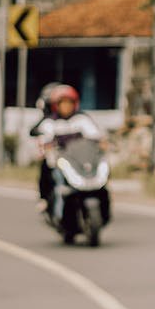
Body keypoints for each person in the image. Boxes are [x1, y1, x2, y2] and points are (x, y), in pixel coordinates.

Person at [30, 84, 104, 214]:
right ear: (56, 105)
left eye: (69, 103)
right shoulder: (50, 122)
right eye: (63, 103)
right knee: (48, 170)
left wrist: (102, 143)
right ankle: (47, 201)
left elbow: (95, 135)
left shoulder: (82, 119)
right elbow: (43, 138)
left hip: (80, 159)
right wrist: (46, 146)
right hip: (62, 160)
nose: (66, 106)